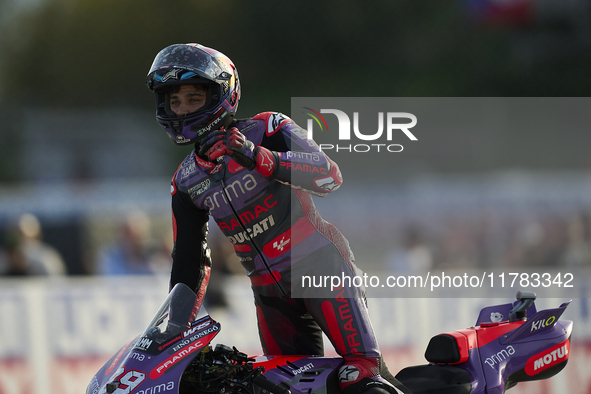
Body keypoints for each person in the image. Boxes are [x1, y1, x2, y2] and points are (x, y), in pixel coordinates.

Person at [145, 43, 409, 394]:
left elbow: (328, 176)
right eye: (174, 101)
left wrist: (255, 155)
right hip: (269, 294)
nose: (181, 110)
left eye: (192, 99)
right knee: (286, 390)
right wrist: (174, 332)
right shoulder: (185, 180)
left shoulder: (268, 127)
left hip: (320, 268)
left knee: (364, 379)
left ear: (222, 93)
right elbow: (190, 265)